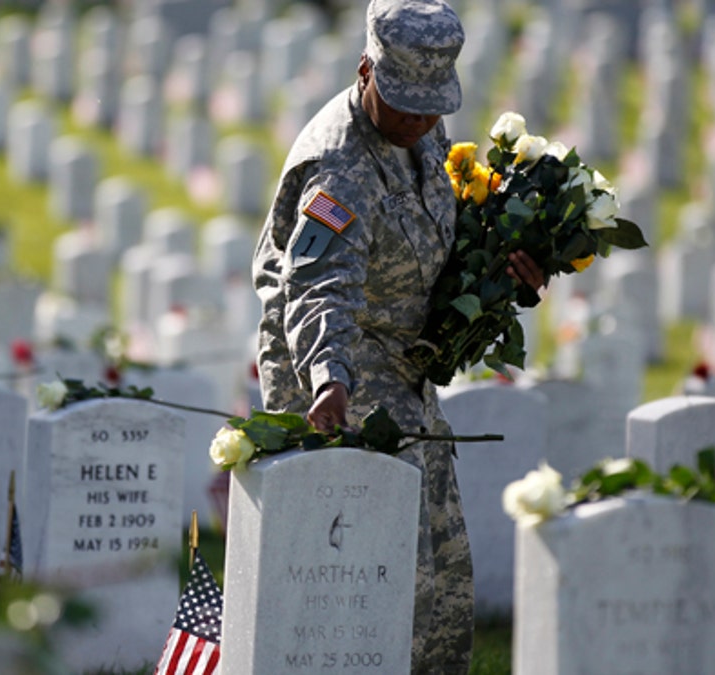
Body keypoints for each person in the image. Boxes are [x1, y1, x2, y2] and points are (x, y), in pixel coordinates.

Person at [251, 0, 544, 670]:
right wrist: (329, 376)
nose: (419, 119)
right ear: (365, 71)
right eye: (406, 102)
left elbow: (437, 233)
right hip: (334, 370)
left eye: (432, 104)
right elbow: (320, 286)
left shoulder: (422, 134)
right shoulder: (338, 166)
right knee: (377, 570)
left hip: (401, 363)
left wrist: (508, 274)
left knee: (443, 563)